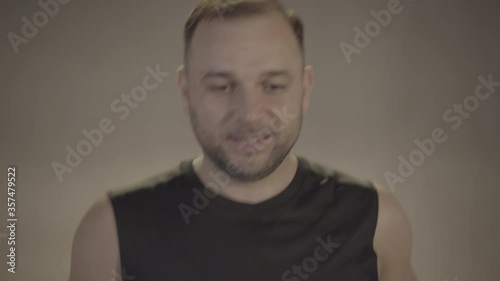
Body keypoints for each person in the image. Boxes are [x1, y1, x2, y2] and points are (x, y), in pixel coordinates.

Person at [68, 0, 418, 280]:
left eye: (273, 86)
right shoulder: (110, 231)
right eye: (221, 87)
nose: (249, 113)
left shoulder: (375, 222)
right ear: (186, 92)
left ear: (305, 90)